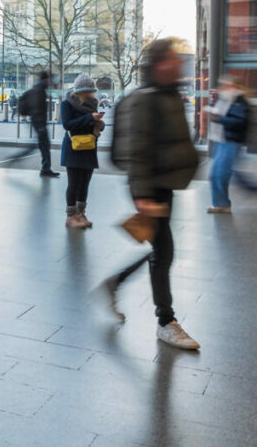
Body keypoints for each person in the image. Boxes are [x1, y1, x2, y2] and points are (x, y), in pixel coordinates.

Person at [100, 39, 200, 350]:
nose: (180, 64)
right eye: (173, 59)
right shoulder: (146, 99)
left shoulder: (166, 94)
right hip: (152, 189)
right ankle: (165, 321)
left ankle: (116, 283)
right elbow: (137, 148)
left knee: (161, 250)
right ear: (160, 65)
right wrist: (141, 194)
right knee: (164, 251)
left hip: (165, 185)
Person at [207, 76, 257, 213]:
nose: (223, 87)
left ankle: (224, 204)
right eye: (222, 85)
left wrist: (219, 119)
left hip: (231, 141)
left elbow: (240, 122)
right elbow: (217, 113)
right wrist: (213, 105)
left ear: (235, 87)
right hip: (220, 140)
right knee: (215, 174)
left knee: (221, 174)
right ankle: (220, 203)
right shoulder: (224, 99)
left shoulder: (240, 101)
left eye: (226, 85)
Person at [61, 74, 105, 229]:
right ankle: (70, 216)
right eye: (86, 91)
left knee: (85, 181)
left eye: (90, 91)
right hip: (74, 146)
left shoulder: (93, 103)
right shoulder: (67, 103)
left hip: (89, 145)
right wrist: (89, 118)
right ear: (78, 90)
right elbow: (67, 124)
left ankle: (81, 213)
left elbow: (92, 122)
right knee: (74, 182)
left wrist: (99, 123)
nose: (89, 94)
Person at [14, 71, 60, 178]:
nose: (50, 81)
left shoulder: (39, 89)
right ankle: (44, 169)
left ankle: (46, 168)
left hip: (38, 123)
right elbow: (37, 108)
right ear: (46, 79)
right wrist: (41, 126)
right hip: (39, 123)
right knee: (40, 146)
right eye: (49, 78)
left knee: (42, 145)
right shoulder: (39, 91)